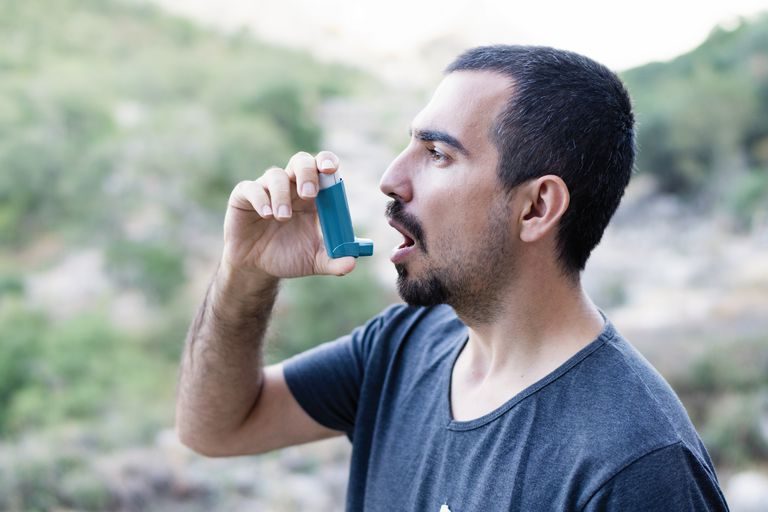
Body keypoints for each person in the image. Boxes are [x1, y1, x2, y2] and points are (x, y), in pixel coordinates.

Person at [175, 45, 729, 511]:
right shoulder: (400, 348)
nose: (391, 179)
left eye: (438, 153)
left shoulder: (638, 466)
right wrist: (245, 275)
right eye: (410, 145)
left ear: (537, 207)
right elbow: (215, 427)